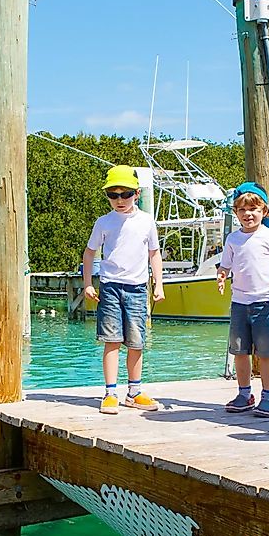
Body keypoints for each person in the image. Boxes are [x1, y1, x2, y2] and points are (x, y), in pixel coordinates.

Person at [83, 165, 165, 415]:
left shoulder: (146, 221)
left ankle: (134, 391)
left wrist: (158, 284)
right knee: (112, 341)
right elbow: (89, 252)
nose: (120, 200)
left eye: (126, 194)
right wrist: (88, 282)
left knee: (136, 342)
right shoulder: (103, 222)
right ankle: (110, 392)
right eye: (113, 195)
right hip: (109, 287)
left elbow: (154, 253)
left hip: (138, 288)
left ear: (137, 194)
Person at [217, 182, 269, 418]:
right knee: (240, 352)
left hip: (265, 303)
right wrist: (221, 276)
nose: (248, 214)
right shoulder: (233, 239)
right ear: (236, 213)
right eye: (242, 210)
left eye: (254, 209)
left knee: (266, 353)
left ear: (264, 212)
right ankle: (244, 393)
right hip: (239, 303)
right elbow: (225, 265)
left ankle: (268, 397)